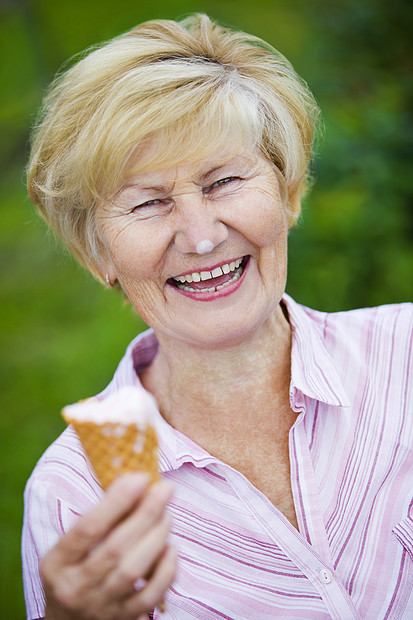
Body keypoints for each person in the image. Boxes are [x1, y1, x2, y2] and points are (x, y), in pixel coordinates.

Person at [22, 13, 413, 620]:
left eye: (224, 181)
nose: (202, 238)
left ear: (286, 191)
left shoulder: (407, 354)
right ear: (95, 251)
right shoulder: (73, 492)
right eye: (149, 203)